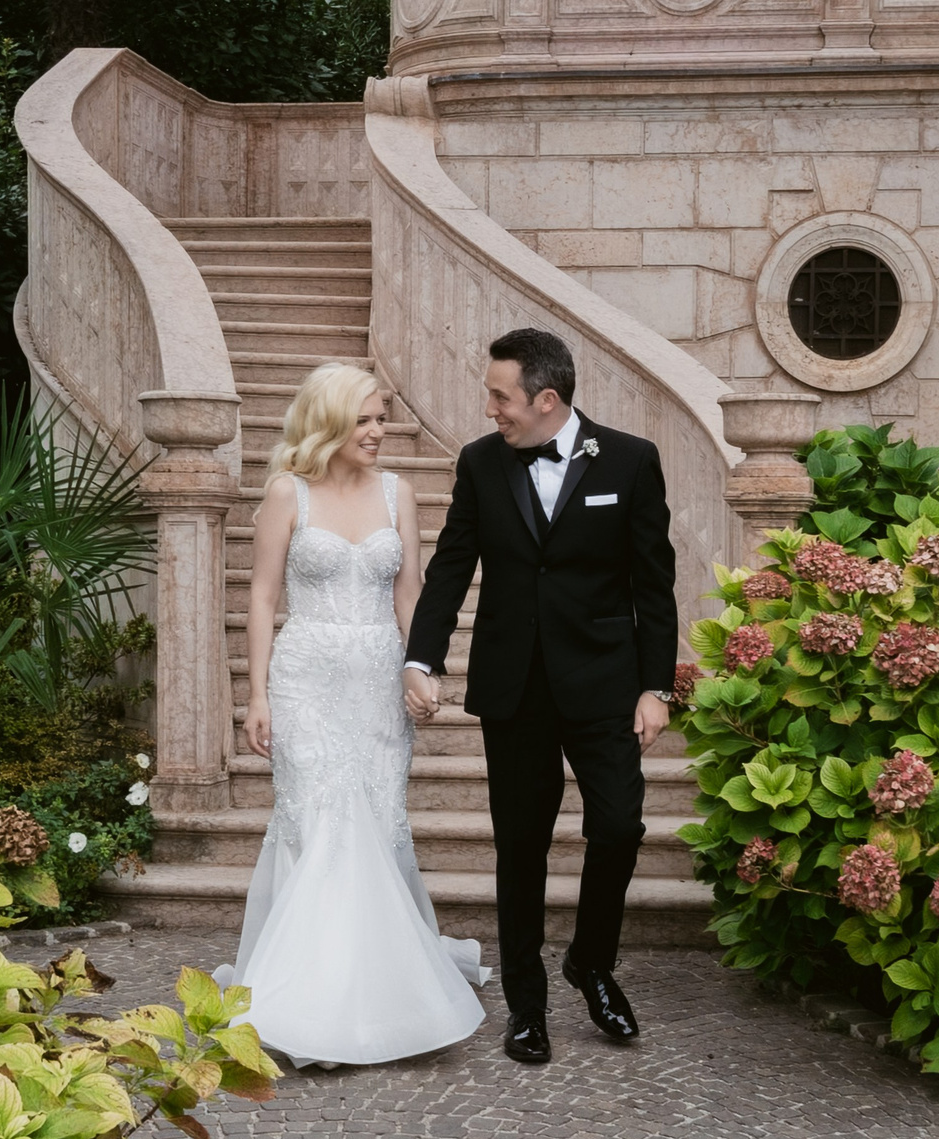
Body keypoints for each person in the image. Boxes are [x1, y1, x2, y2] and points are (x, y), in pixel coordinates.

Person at [403, 327, 676, 1064]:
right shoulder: (480, 464)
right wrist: (421, 658)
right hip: (514, 685)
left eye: (501, 396)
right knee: (520, 847)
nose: (491, 409)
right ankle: (527, 1005)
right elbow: (451, 566)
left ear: (545, 398)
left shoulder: (630, 460)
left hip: (605, 685)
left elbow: (654, 584)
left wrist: (656, 686)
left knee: (619, 825)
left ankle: (591, 961)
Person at [217, 361, 487, 1066]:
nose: (379, 430)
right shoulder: (287, 493)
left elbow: (410, 595)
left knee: (375, 819)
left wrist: (419, 667)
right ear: (330, 422)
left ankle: (381, 989)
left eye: (381, 417)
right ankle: (302, 999)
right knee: (316, 822)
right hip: (305, 678)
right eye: (364, 419)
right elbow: (262, 598)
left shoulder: (400, 491)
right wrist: (256, 694)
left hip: (375, 682)